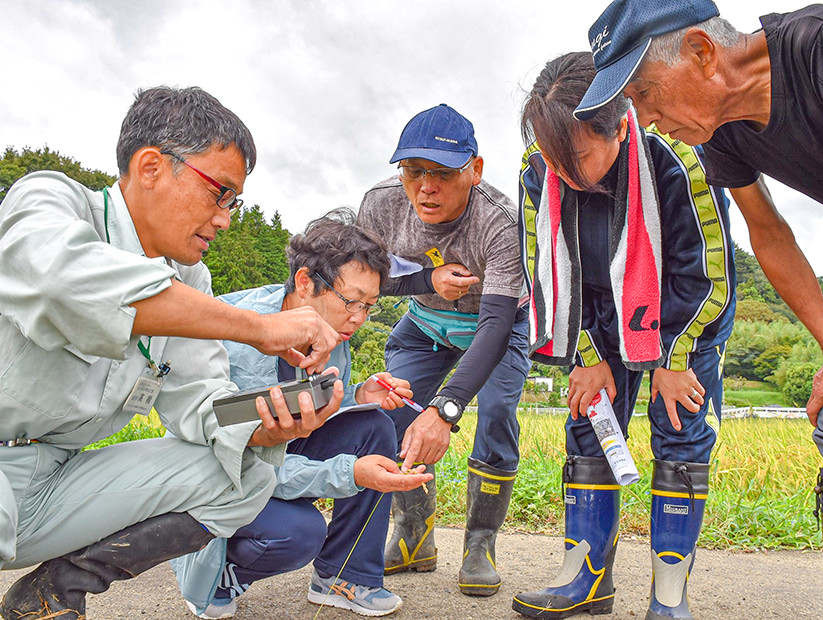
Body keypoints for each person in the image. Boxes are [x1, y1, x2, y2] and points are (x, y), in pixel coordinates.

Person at [577, 0, 823, 617]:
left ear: (701, 52)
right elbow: (768, 234)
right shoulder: (725, 133)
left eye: (646, 93)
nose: (649, 121)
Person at [0, 86, 347, 620]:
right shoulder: (51, 200)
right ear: (151, 167)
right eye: (220, 193)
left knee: (245, 477)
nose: (227, 218)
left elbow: (203, 403)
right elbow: (58, 284)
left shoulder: (190, 280)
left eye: (235, 202)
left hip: (55, 482)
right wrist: (256, 327)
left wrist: (265, 424)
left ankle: (51, 595)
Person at [512, 52, 735, 620]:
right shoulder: (539, 169)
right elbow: (548, 272)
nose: (562, 171)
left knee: (680, 429)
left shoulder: (679, 160)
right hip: (597, 314)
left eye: (579, 155)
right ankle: (585, 578)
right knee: (590, 423)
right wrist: (586, 355)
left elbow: (706, 273)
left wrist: (672, 356)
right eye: (553, 156)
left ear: (617, 126)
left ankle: (669, 594)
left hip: (683, 313)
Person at [173, 209, 432, 619]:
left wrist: (358, 396)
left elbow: (311, 420)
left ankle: (346, 576)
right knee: (299, 533)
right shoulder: (233, 337)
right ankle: (212, 570)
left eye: (369, 306)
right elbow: (240, 462)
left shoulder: (335, 331)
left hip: (276, 458)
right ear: (306, 282)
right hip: (221, 476)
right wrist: (350, 474)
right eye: (351, 302)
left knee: (373, 425)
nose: (359, 319)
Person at [356, 104, 531, 596]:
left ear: (474, 170)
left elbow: (496, 325)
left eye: (442, 174)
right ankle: (413, 536)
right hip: (426, 323)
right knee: (394, 413)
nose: (425, 188)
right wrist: (424, 279)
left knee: (496, 414)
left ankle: (480, 544)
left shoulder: (502, 223)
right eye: (414, 172)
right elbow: (360, 281)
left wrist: (446, 409)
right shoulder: (381, 204)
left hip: (494, 326)